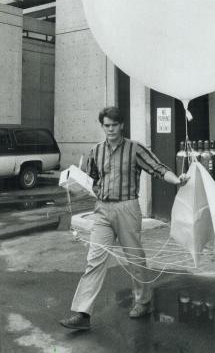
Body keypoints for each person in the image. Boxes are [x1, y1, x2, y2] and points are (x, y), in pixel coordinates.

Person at [60, 106, 188, 330]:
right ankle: (82, 313)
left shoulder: (135, 148)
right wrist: (74, 186)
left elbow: (157, 168)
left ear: (122, 126)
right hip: (102, 210)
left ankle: (143, 301)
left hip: (127, 208)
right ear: (102, 126)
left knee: (135, 258)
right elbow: (91, 181)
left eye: (114, 125)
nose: (110, 129)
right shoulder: (96, 151)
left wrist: (177, 180)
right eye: (106, 125)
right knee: (94, 260)